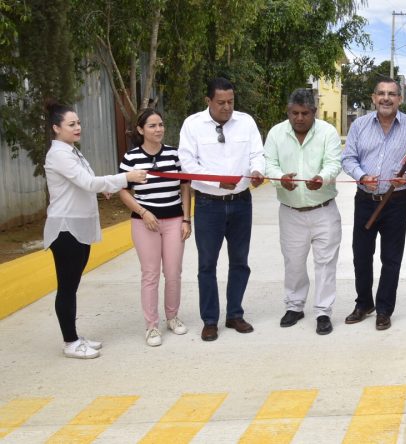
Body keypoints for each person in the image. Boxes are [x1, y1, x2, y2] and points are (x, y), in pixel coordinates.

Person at [43, 103, 148, 358]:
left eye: (78, 123)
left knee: (72, 285)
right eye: (71, 124)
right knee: (67, 287)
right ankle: (70, 342)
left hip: (79, 226)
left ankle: (75, 336)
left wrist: (105, 187)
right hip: (66, 229)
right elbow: (87, 182)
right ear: (56, 128)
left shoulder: (71, 151)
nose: (78, 127)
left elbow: (85, 182)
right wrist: (126, 178)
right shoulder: (59, 154)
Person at [178, 77, 265, 342]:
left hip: (241, 203)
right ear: (208, 101)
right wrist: (217, 180)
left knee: (240, 262)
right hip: (208, 205)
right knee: (207, 264)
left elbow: (257, 154)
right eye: (221, 102)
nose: (227, 107)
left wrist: (258, 170)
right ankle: (210, 320)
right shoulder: (192, 125)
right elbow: (187, 164)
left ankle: (235, 315)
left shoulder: (246, 122)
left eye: (231, 101)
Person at [341, 78, 406, 331]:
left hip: (396, 201)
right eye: (381, 94)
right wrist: (361, 176)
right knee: (361, 256)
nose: (386, 98)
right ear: (373, 98)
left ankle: (384, 309)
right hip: (365, 200)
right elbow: (348, 158)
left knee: (391, 259)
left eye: (392, 94)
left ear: (400, 99)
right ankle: (364, 303)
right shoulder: (359, 125)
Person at [264, 88, 342, 335]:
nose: (299, 118)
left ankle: (323, 312)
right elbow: (270, 164)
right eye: (294, 113)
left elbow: (333, 163)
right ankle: (295, 306)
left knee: (326, 262)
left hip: (323, 210)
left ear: (314, 112)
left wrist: (323, 177)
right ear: (288, 111)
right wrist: (279, 179)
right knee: (294, 262)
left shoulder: (328, 132)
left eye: (304, 113)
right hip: (290, 211)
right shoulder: (276, 133)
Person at [118, 109, 192, 346]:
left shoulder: (173, 154)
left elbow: (185, 187)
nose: (158, 129)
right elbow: (122, 190)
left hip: (173, 221)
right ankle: (151, 326)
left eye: (160, 124)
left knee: (173, 272)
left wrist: (186, 219)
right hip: (144, 222)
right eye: (152, 126)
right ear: (141, 130)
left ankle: (173, 317)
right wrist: (143, 211)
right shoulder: (131, 158)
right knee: (149, 274)